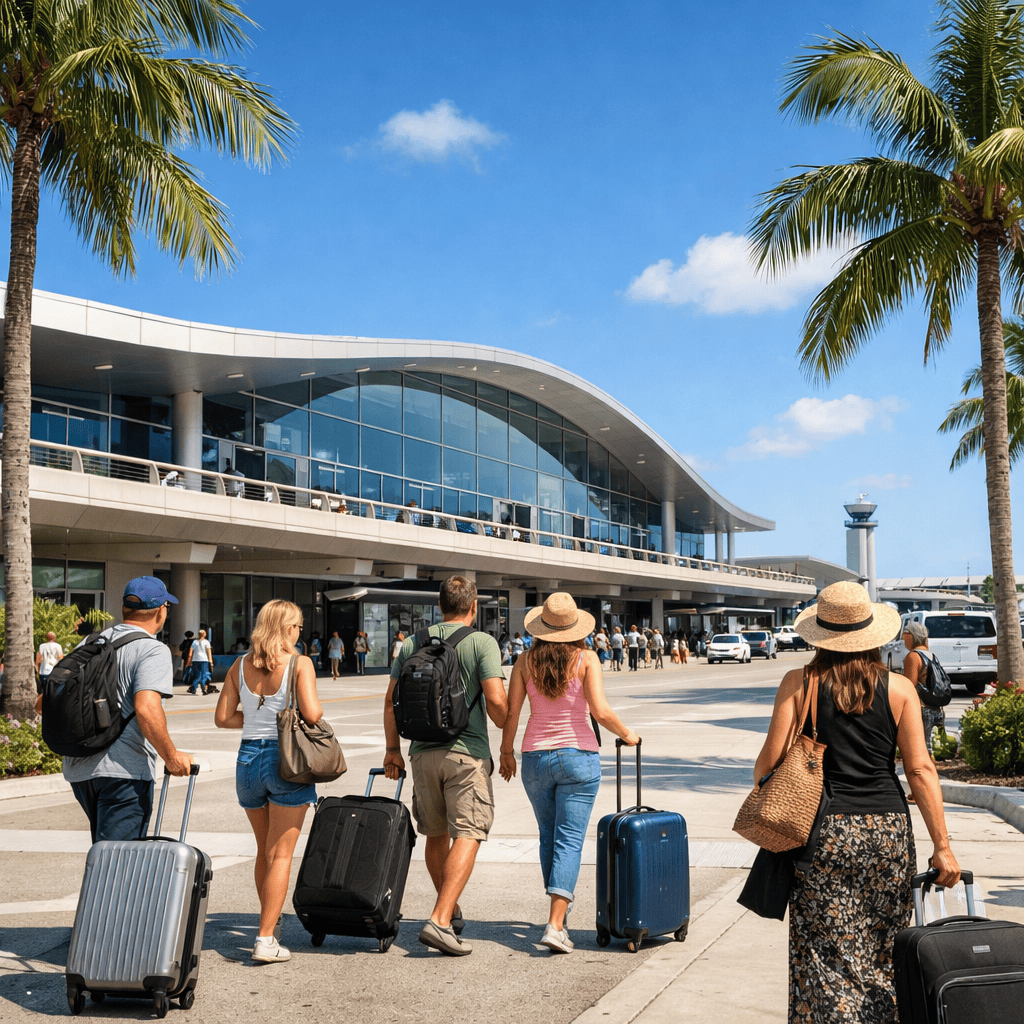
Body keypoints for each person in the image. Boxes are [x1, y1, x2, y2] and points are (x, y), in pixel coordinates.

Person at [753, 581, 959, 1024]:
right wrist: (942, 845)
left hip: (823, 835)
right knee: (883, 953)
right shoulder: (900, 689)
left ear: (821, 635)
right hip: (887, 832)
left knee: (824, 958)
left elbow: (765, 768)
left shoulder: (799, 682)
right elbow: (920, 770)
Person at [499, 593, 639, 954]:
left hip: (534, 759)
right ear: (575, 628)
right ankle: (556, 923)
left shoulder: (523, 662)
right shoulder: (586, 658)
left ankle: (558, 914)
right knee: (569, 841)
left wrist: (505, 752)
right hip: (578, 758)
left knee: (550, 838)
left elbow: (512, 712)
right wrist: (628, 735)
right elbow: (601, 711)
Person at [383, 575, 507, 957]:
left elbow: (391, 702)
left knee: (435, 834)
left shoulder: (411, 644)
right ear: (473, 607)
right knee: (469, 831)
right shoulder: (482, 642)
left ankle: (448, 910)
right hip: (466, 753)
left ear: (440, 606)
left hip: (422, 752)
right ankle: (439, 920)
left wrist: (392, 750)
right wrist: (513, 717)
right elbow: (498, 708)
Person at [214, 599, 322, 964]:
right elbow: (312, 713)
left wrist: (254, 720)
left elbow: (223, 717)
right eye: (298, 627)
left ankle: (270, 927)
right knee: (282, 854)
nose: (300, 633)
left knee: (264, 851)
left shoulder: (239, 665)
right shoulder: (299, 663)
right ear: (287, 628)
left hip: (247, 761)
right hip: (285, 762)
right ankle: (264, 939)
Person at [58, 577, 193, 843]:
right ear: (161, 610)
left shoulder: (88, 644)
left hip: (80, 769)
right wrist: (171, 755)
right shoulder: (152, 649)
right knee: (117, 864)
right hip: (124, 771)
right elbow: (146, 709)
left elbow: (46, 701)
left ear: (124, 608)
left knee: (105, 854)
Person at [901, 621, 945, 759]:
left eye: (905, 634)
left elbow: (910, 685)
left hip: (922, 709)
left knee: (922, 753)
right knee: (930, 750)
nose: (903, 638)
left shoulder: (913, 657)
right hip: (937, 709)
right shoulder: (931, 655)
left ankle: (930, 780)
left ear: (910, 636)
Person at [186, 629, 213, 695]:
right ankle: (203, 688)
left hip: (195, 660)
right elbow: (209, 653)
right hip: (204, 660)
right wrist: (211, 662)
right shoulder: (206, 642)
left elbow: (190, 653)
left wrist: (188, 662)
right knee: (203, 675)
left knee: (197, 676)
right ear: (205, 634)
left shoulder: (194, 642)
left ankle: (194, 689)